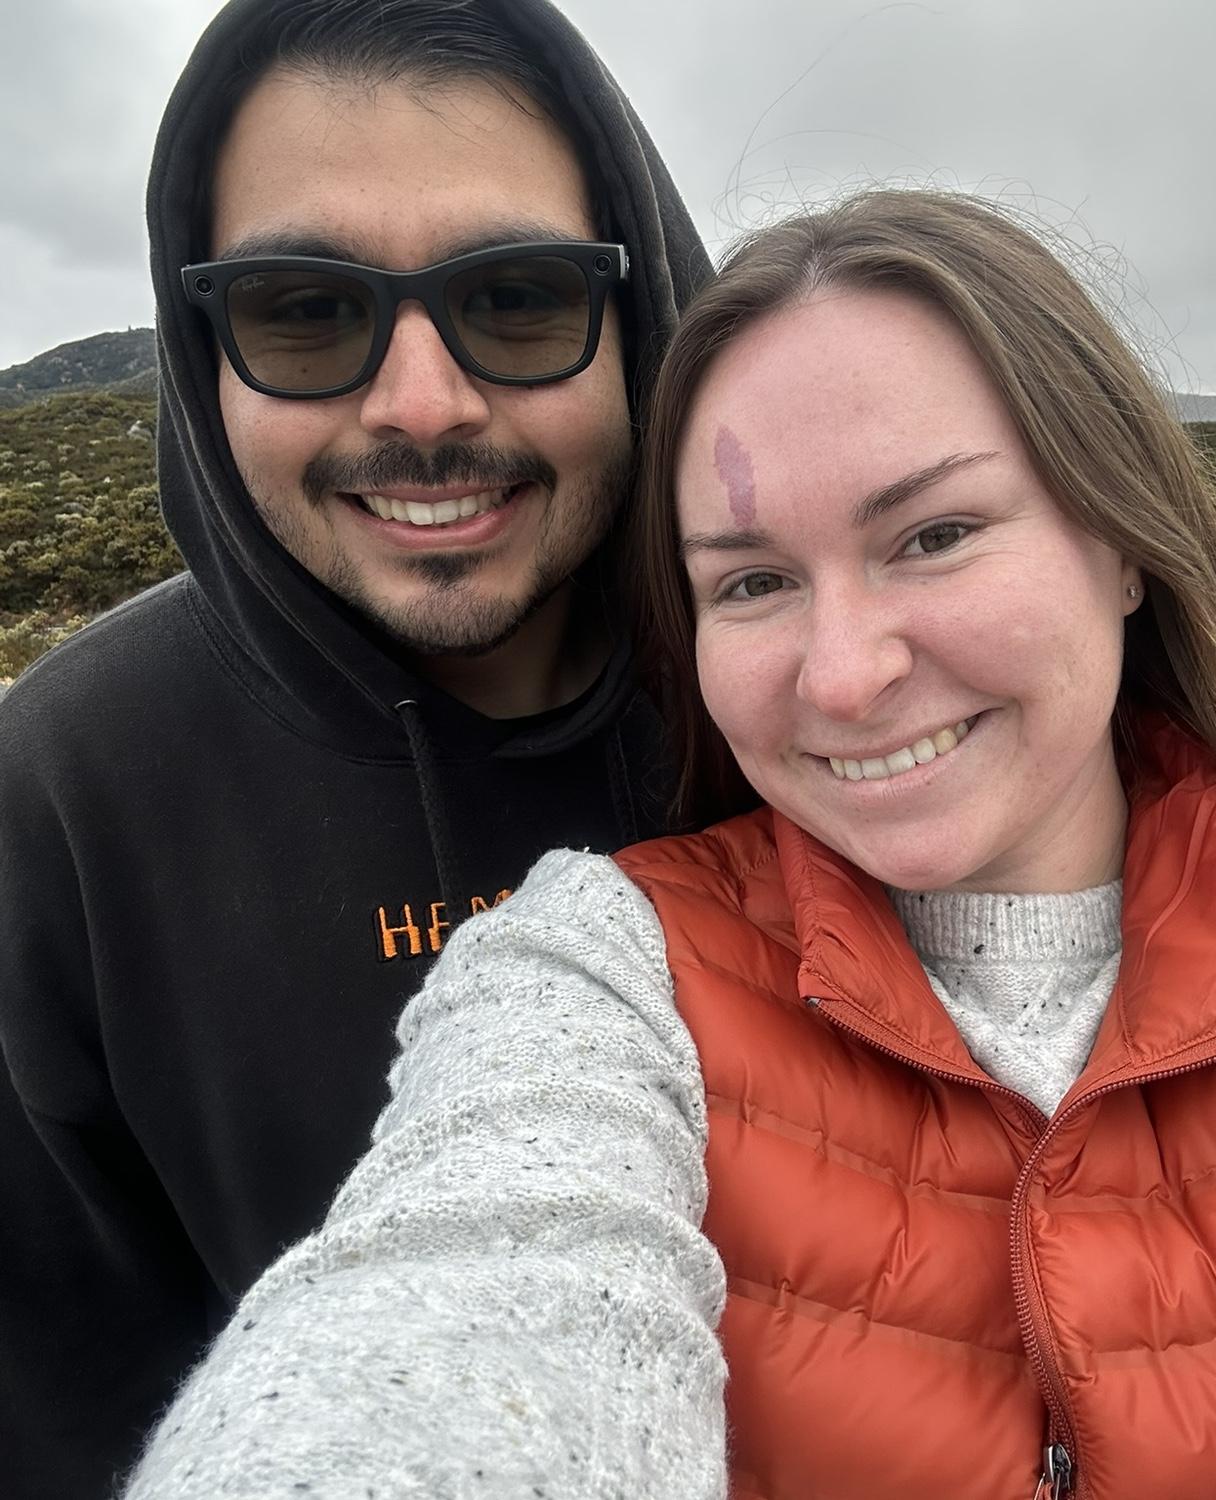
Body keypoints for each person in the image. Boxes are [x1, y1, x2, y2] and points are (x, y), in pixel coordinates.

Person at [124, 190, 1216, 1499]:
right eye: (755, 582)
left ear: (1124, 541)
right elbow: (468, 1290)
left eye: (936, 534)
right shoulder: (605, 979)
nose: (842, 677)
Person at [0, 1, 709, 1494]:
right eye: (304, 312)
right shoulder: (63, 797)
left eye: (517, 298)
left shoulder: (815, 702)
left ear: (640, 318)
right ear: (204, 352)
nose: (421, 406)